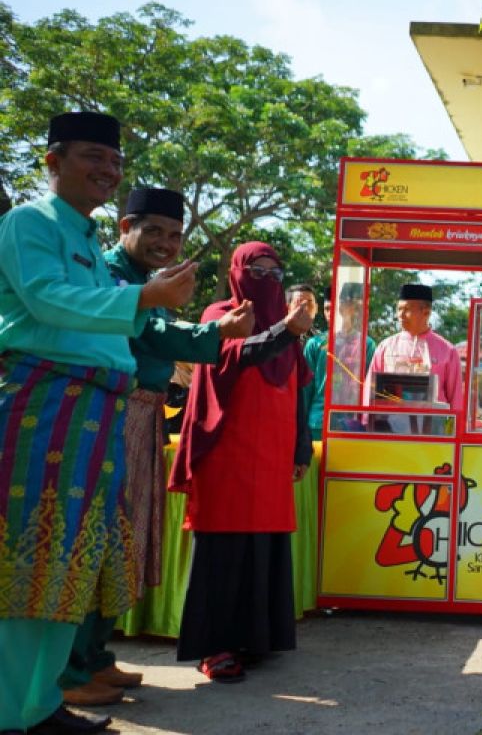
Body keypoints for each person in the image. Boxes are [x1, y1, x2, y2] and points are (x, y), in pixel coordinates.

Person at [0, 112, 196, 735]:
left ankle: (39, 706)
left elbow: (127, 325)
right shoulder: (30, 222)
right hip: (44, 404)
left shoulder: (84, 239)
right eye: (92, 157)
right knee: (23, 564)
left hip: (95, 413)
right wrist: (143, 300)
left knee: (70, 565)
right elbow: (45, 300)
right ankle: (11, 712)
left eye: (113, 161)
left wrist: (155, 308)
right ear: (52, 161)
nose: (107, 170)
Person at [49, 188, 258, 708]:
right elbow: (157, 331)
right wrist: (217, 331)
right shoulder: (113, 276)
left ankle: (95, 656)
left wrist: (216, 330)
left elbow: (164, 323)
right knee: (96, 537)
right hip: (109, 414)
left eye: (175, 234)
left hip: (141, 416)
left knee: (126, 538)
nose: (166, 243)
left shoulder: (144, 281)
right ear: (125, 228)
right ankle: (70, 670)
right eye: (155, 232)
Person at [169, 241, 313, 684]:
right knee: (224, 550)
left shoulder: (287, 330)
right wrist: (284, 333)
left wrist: (300, 445)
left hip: (271, 458)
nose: (267, 279)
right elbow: (235, 353)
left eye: (275, 273)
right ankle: (215, 648)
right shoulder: (219, 313)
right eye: (258, 270)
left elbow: (297, 392)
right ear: (237, 271)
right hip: (227, 455)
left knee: (263, 548)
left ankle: (255, 639)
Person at [365, 283, 462, 428]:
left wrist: (454, 432)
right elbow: (369, 391)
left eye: (407, 309)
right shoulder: (386, 347)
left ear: (426, 312)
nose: (400, 315)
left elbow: (456, 398)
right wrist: (367, 424)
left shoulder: (447, 350)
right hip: (390, 430)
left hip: (433, 432)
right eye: (399, 309)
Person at [302, 283, 376, 435]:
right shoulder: (315, 344)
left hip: (352, 423)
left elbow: (371, 389)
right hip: (318, 422)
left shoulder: (366, 345)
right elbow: (305, 389)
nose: (331, 313)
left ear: (349, 309)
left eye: (337, 308)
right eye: (327, 309)